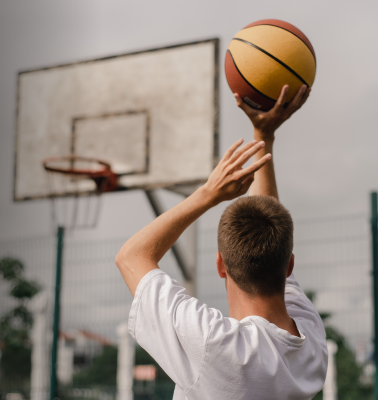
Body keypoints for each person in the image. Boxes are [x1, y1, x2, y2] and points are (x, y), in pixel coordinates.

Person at [115, 84, 328, 399]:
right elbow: (269, 223)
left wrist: (208, 194)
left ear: (220, 265)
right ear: (289, 266)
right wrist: (262, 136)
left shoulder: (213, 345)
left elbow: (131, 256)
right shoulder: (311, 342)